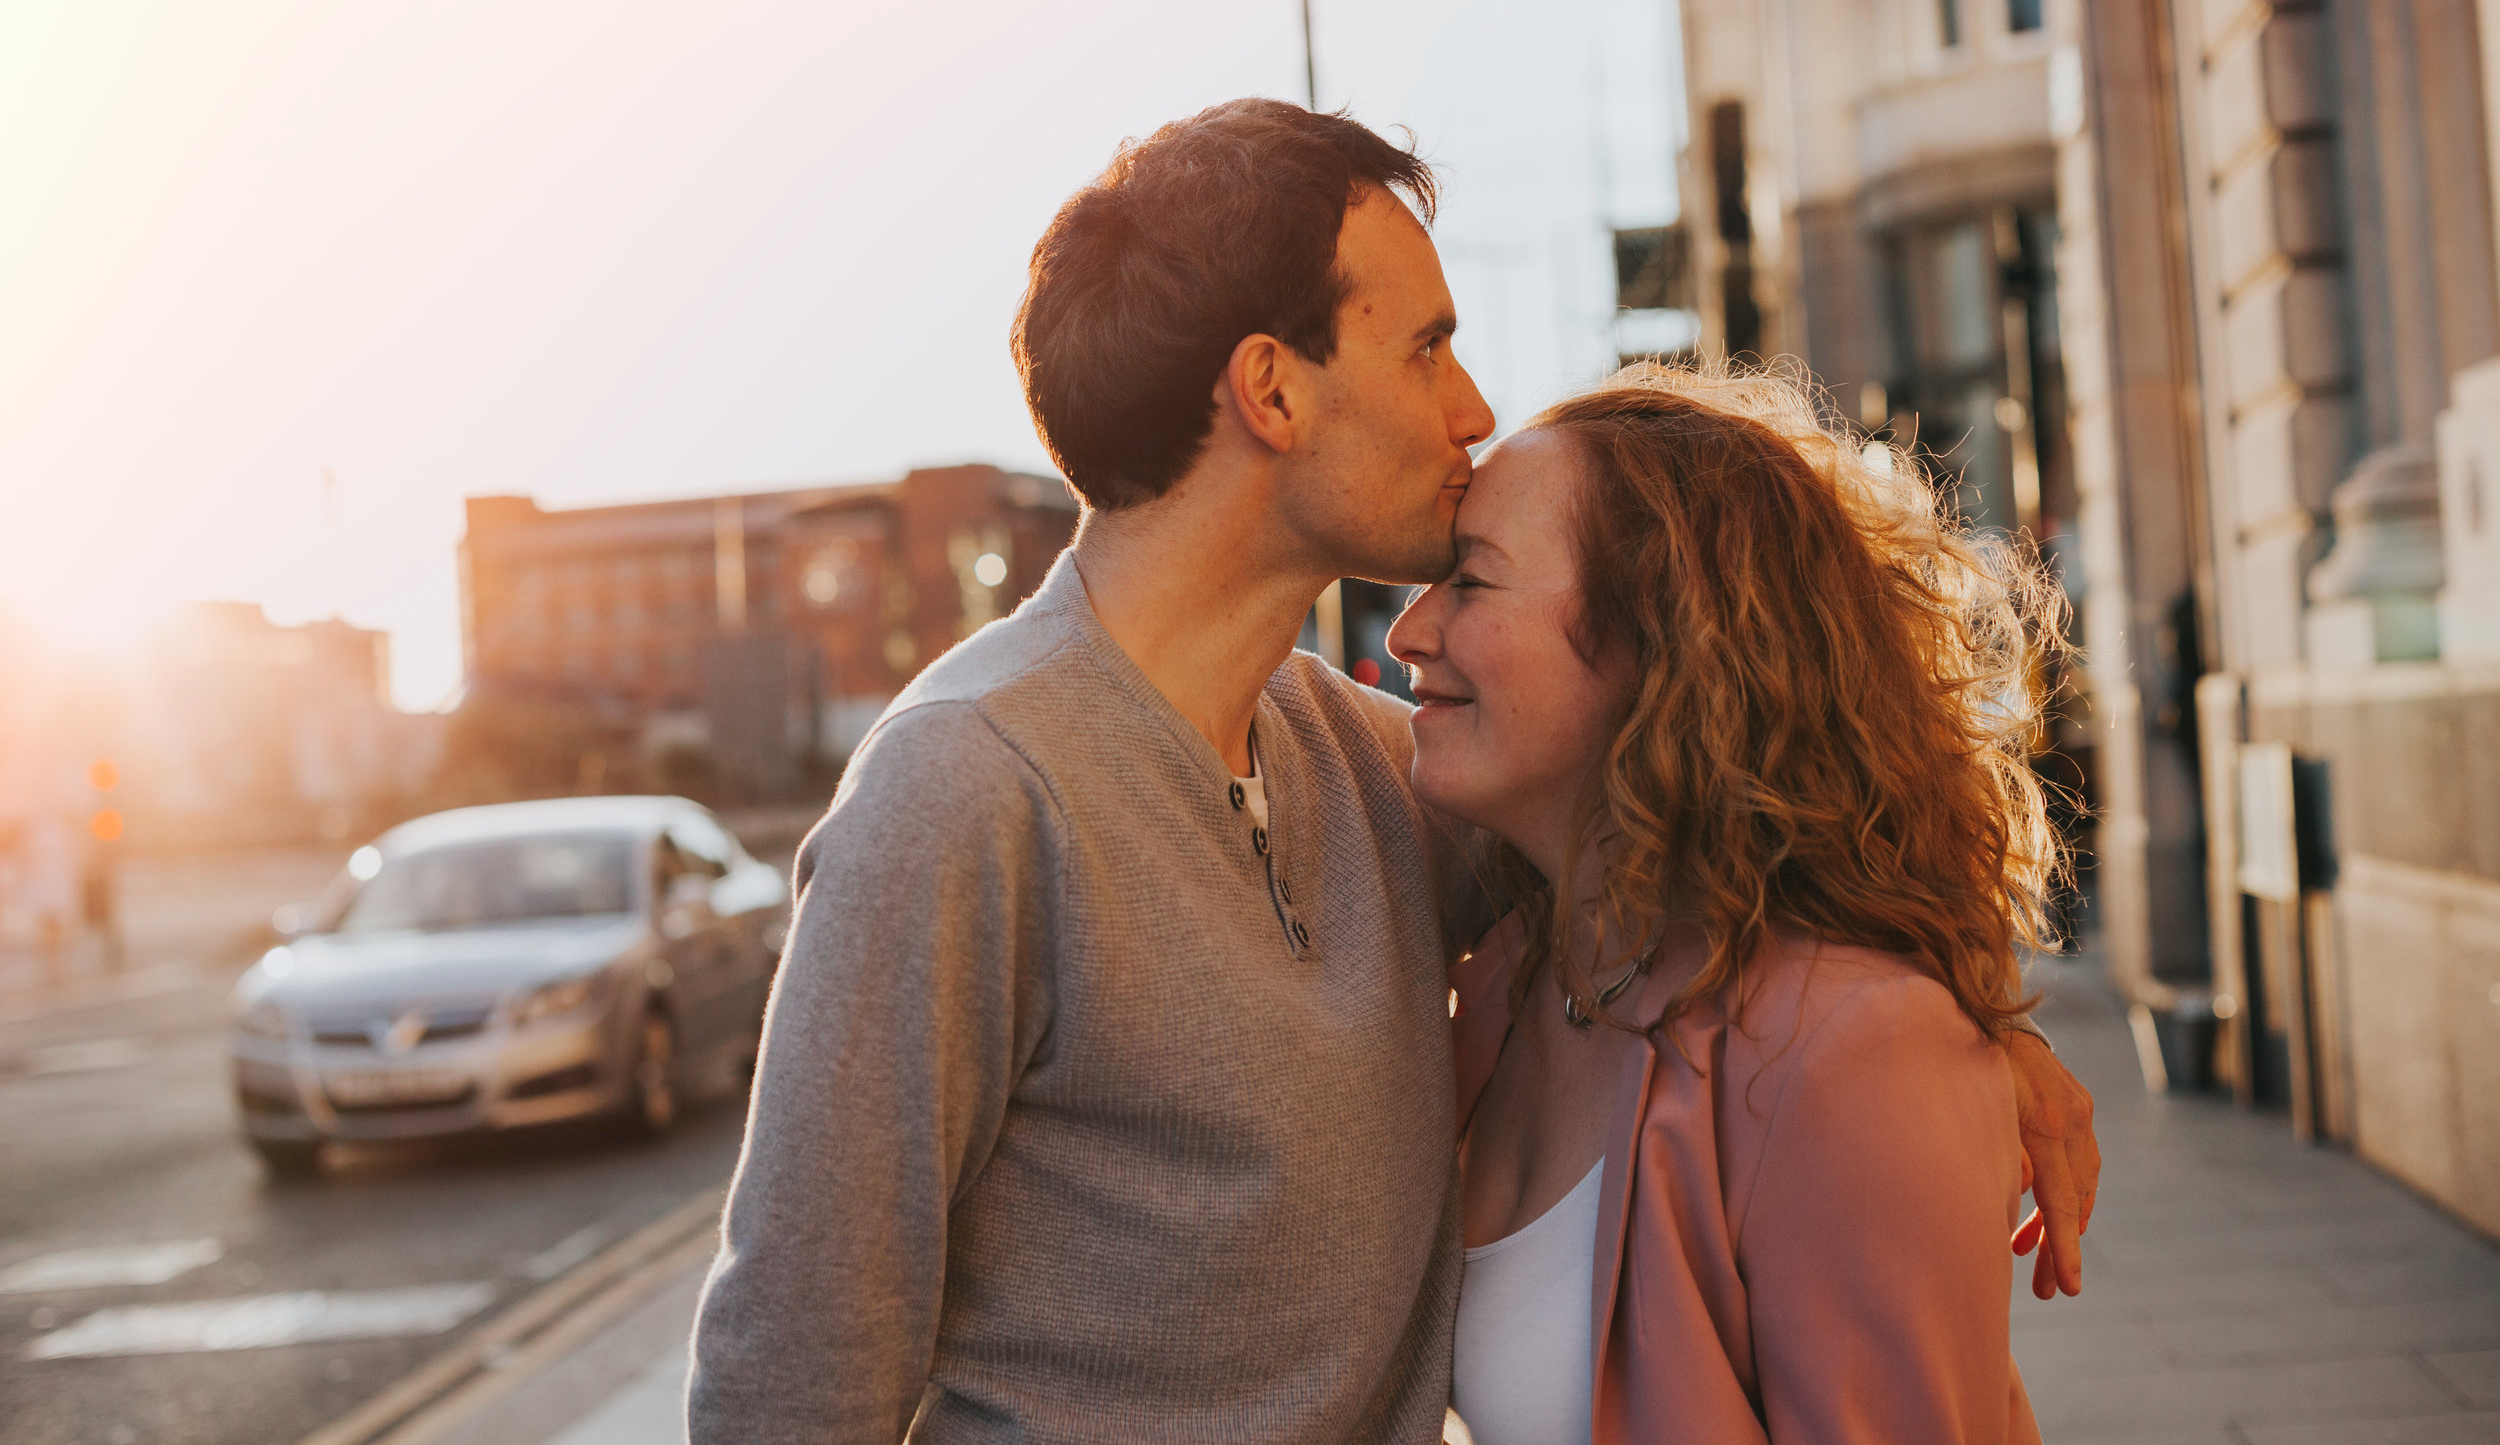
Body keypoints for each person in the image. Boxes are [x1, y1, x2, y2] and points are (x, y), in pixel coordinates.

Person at [686, 100, 2097, 1443]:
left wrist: (1979, 1045)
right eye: (1426, 344)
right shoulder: (964, 791)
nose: (1472, 405)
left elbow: (1736, 827)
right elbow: (790, 1382)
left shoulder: (1381, 770)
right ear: (1272, 388)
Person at [1395, 365, 2063, 1444]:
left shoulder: (1850, 1047)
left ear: (1658, 640)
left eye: (1469, 582)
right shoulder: (1519, 974)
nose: (1408, 632)